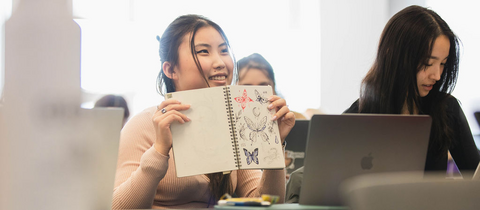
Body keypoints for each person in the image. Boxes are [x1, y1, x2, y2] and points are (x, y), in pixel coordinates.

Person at [285, 5, 480, 203]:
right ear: (395, 56)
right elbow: (320, 186)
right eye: (428, 63)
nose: (437, 75)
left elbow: (475, 173)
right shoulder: (359, 116)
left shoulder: (447, 109)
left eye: (443, 63)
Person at [112, 14, 295, 209]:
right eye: (203, 52)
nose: (220, 62)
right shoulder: (145, 124)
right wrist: (159, 151)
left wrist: (273, 147)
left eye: (224, 50)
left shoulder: (236, 125)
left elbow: (264, 202)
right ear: (170, 69)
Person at [237, 53, 307, 120]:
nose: (256, 97)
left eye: (263, 87)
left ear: (273, 88)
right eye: (247, 88)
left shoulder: (296, 119)